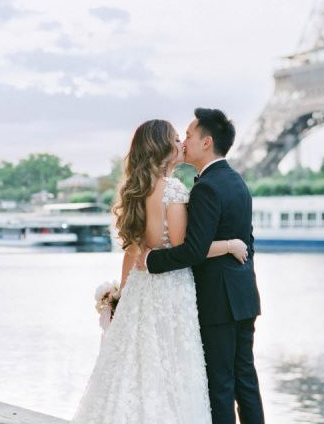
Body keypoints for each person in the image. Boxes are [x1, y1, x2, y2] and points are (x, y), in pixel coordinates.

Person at [71, 119, 249, 424]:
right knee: (171, 369)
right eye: (176, 138)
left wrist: (122, 295)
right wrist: (230, 244)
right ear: (163, 148)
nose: (182, 142)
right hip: (170, 289)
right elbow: (185, 251)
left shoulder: (134, 191)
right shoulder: (174, 192)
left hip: (142, 289)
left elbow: (132, 253)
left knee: (134, 367)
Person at [139, 108, 265, 424]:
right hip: (243, 294)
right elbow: (247, 241)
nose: (185, 142)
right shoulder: (238, 181)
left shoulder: (206, 187)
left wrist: (152, 260)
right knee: (245, 380)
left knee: (220, 384)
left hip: (217, 300)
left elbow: (193, 250)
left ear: (206, 142)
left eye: (190, 136)